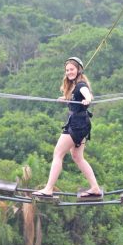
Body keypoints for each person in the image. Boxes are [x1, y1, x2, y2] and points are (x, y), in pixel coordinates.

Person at [33, 57, 102, 198]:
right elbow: (78, 96)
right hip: (81, 124)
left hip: (77, 125)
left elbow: (87, 94)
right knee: (77, 156)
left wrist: (87, 99)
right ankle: (95, 187)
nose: (69, 72)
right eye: (67, 70)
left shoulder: (80, 84)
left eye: (72, 69)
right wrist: (67, 99)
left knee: (58, 154)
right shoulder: (74, 85)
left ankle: (48, 189)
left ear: (78, 70)